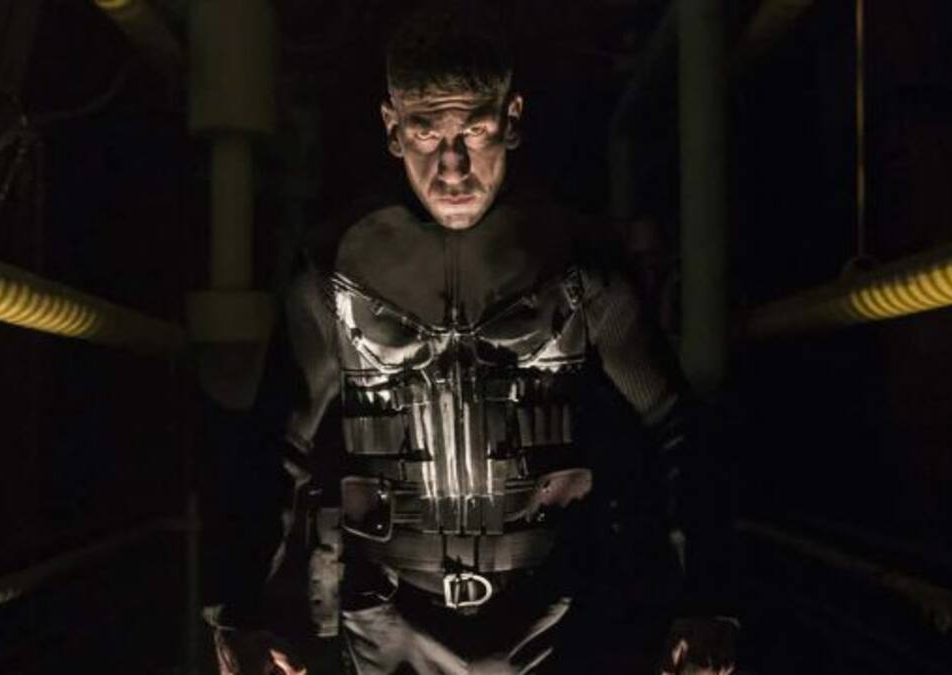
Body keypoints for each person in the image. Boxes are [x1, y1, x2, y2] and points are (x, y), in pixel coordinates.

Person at [206, 6, 737, 674]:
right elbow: (274, 445)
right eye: (427, 134)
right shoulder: (335, 271)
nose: (453, 165)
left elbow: (674, 424)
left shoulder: (579, 264)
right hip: (389, 618)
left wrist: (708, 597)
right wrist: (237, 609)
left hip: (555, 614)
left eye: (475, 132)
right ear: (393, 129)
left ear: (511, 120)